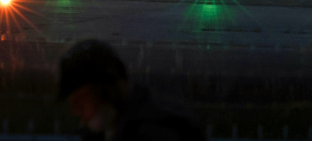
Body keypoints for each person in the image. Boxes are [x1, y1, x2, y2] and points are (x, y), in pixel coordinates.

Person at [57, 38, 205, 141]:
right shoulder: (104, 130)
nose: (75, 111)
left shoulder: (155, 133)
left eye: (81, 100)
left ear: (107, 89)